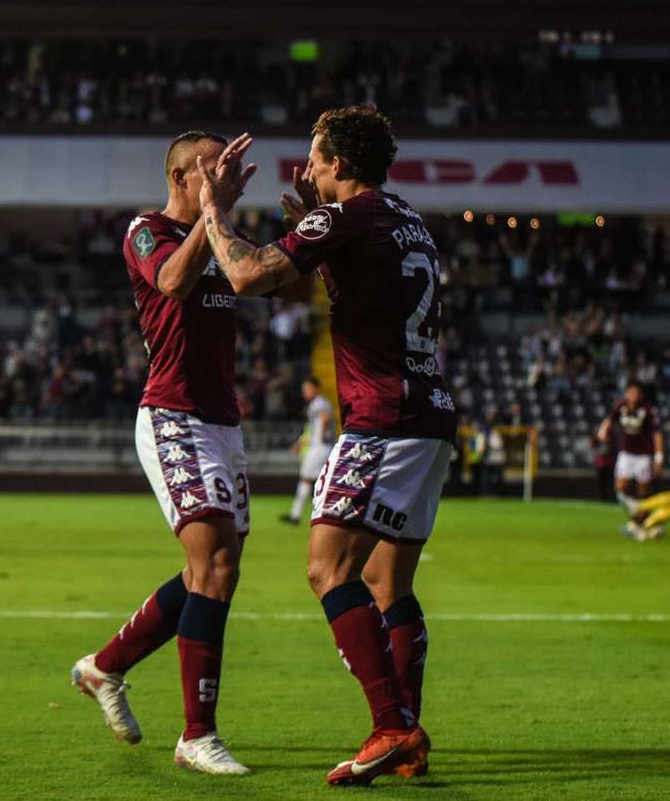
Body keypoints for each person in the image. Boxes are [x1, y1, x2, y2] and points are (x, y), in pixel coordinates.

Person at [197, 106, 450, 785]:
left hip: (383, 417)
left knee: (327, 568)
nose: (306, 169)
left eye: (314, 157)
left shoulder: (346, 217)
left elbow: (247, 276)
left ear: (339, 164)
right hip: (429, 414)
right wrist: (310, 226)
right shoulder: (406, 219)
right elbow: (311, 283)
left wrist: (213, 209)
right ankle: (408, 733)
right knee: (387, 581)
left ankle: (390, 723)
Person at [70, 131, 273, 777]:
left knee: (213, 573)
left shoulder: (221, 231)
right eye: (216, 168)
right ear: (185, 176)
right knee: (212, 564)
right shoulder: (145, 229)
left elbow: (263, 282)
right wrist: (215, 218)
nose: (226, 175)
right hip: (173, 415)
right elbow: (172, 282)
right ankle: (197, 734)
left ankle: (104, 669)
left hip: (222, 420)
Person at [597, 381, 663, 535]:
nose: (632, 395)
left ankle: (645, 523)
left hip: (643, 456)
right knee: (620, 489)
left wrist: (659, 457)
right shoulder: (621, 407)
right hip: (626, 454)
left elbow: (657, 433)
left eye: (635, 392)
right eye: (630, 392)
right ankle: (637, 521)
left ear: (640, 394)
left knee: (643, 493)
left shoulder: (648, 410)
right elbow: (609, 420)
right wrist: (603, 431)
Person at [282, 376, 334, 524]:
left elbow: (325, 417)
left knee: (307, 479)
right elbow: (311, 428)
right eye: (304, 389)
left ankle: (296, 515)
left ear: (316, 389)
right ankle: (319, 514)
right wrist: (300, 443)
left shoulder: (319, 403)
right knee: (320, 481)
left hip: (320, 447)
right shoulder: (316, 403)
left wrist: (322, 433)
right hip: (321, 447)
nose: (305, 392)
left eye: (308, 388)